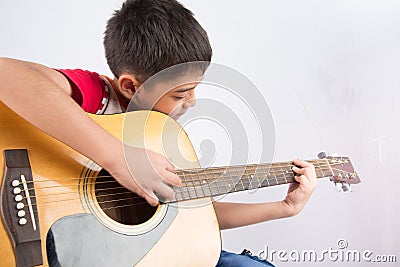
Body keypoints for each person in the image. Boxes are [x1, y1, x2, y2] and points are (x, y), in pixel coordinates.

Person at [0, 0, 317, 266]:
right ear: (130, 86)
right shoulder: (98, 95)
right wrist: (117, 158)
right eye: (180, 94)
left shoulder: (161, 134)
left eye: (193, 90)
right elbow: (7, 74)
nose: (191, 101)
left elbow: (187, 220)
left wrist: (283, 208)